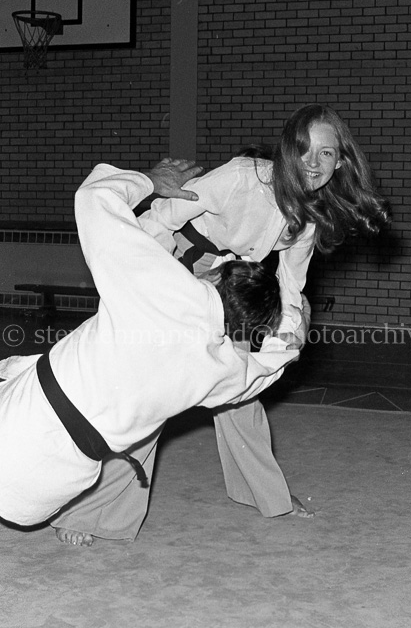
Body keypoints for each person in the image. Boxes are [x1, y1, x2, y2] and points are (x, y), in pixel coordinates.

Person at [52, 103, 390, 546]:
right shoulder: (242, 178)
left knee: (239, 386)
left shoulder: (308, 218)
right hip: (172, 266)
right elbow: (163, 216)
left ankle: (264, 493)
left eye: (325, 153)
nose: (312, 162)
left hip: (230, 285)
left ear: (340, 162)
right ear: (286, 149)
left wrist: (288, 336)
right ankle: (93, 512)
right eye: (304, 149)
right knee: (153, 391)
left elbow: (291, 285)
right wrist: (135, 280)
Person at [0, 160, 301, 528]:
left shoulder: (160, 281)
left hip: (17, 421)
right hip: (41, 497)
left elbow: (94, 196)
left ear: (213, 274)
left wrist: (151, 181)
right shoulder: (223, 367)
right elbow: (261, 373)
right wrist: (291, 338)